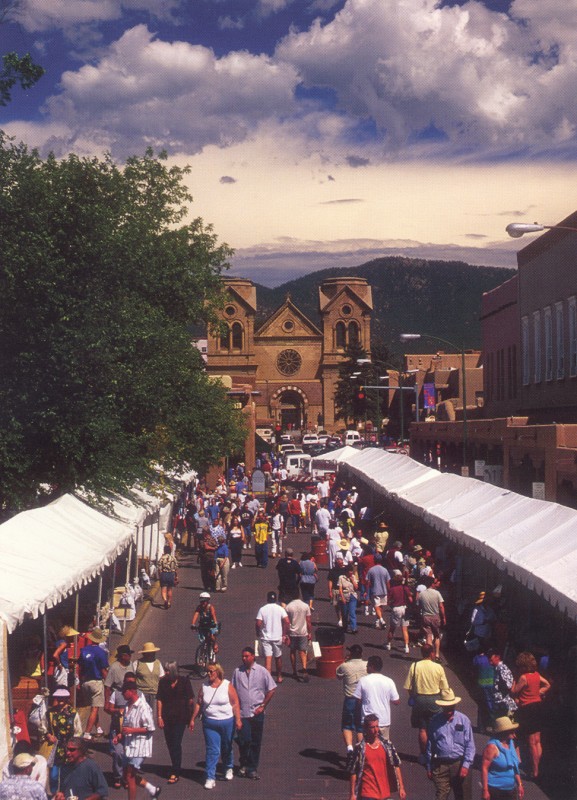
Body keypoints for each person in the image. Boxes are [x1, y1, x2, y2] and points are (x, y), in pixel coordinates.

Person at [190, 664, 242, 789]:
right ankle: (210, 777)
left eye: (211, 671)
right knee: (212, 750)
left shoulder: (227, 685)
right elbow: (199, 703)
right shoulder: (204, 687)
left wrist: (238, 719)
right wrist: (192, 719)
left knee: (226, 746)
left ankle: (228, 767)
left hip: (227, 722)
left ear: (218, 672)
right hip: (210, 724)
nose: (209, 674)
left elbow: (235, 703)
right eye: (207, 672)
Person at [232, 647, 277, 780]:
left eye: (246, 656)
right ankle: (244, 762)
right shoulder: (237, 672)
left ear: (253, 656)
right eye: (243, 656)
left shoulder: (262, 671)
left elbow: (272, 689)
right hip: (243, 713)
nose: (244, 658)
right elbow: (233, 692)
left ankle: (251, 768)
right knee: (244, 740)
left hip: (257, 713)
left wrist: (263, 705)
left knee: (255, 742)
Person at [113, 682, 161, 800]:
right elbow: (126, 726)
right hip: (129, 745)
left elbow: (150, 728)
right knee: (126, 775)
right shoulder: (127, 706)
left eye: (124, 691)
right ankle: (152, 789)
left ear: (132, 691)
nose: (122, 695)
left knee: (130, 777)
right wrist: (120, 735)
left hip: (140, 747)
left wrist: (132, 730)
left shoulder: (143, 707)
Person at [426, 689, 475, 800]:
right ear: (442, 707)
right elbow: (430, 745)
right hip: (441, 764)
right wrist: (429, 766)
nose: (449, 710)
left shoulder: (463, 720)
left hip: (459, 762)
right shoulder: (435, 721)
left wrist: (466, 766)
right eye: (446, 707)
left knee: (463, 796)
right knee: (441, 795)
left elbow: (470, 745)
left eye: (451, 707)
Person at [404, 643, 449, 759]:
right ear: (432, 653)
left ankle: (423, 755)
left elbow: (408, 687)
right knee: (437, 727)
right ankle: (436, 753)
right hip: (435, 699)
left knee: (422, 728)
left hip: (419, 699)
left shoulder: (414, 666)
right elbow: (445, 687)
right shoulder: (438, 667)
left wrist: (414, 697)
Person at [511, 651, 551, 779]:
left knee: (531, 742)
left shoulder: (524, 678)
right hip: (538, 707)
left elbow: (514, 691)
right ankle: (537, 767)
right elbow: (548, 684)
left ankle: (535, 772)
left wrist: (513, 681)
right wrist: (540, 692)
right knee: (537, 741)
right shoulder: (536, 675)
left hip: (527, 709)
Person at [348, 714, 406, 800]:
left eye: (377, 726)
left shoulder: (387, 745)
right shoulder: (360, 748)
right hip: (367, 792)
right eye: (372, 727)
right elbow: (353, 771)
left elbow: (396, 765)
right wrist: (352, 794)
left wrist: (401, 787)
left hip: (384, 792)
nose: (376, 730)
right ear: (366, 729)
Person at [156, 661, 194, 784]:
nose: (165, 673)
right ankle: (175, 765)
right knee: (170, 743)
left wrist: (191, 718)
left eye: (167, 670)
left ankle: (175, 771)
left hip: (180, 718)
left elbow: (190, 700)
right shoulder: (163, 682)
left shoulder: (184, 681)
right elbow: (159, 700)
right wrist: (159, 717)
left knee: (176, 743)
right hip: (167, 718)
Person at [104, 645, 135, 789]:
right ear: (122, 655)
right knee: (117, 751)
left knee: (130, 750)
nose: (129, 656)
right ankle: (118, 775)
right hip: (118, 701)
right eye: (127, 654)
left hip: (130, 701)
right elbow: (108, 686)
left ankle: (127, 776)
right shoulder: (114, 668)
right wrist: (109, 704)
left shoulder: (132, 666)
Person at [45, 687, 83, 793]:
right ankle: (53, 795)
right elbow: (42, 727)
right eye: (59, 697)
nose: (61, 699)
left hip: (69, 749)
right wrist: (48, 735)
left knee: (67, 776)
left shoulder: (73, 713)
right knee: (53, 775)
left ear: (67, 698)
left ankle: (65, 795)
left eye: (63, 697)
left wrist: (74, 746)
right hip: (54, 748)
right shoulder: (50, 713)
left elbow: (78, 731)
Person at [354, 655, 400, 740]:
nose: (366, 668)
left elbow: (358, 699)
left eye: (367, 666)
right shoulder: (389, 681)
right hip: (383, 720)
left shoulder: (363, 680)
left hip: (368, 721)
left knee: (368, 747)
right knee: (384, 747)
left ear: (372, 666)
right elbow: (396, 701)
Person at [336, 644, 367, 769]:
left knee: (347, 726)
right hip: (362, 700)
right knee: (360, 727)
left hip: (350, 699)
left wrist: (345, 660)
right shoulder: (366, 665)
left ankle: (349, 749)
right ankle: (359, 751)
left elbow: (338, 675)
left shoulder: (345, 666)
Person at [481, 717, 524, 800]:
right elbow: (484, 768)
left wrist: (520, 784)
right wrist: (485, 790)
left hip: (511, 789)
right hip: (495, 790)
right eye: (511, 732)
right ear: (504, 732)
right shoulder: (492, 747)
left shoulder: (511, 744)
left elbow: (514, 767)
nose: (514, 735)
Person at [78, 627, 109, 740]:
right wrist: (109, 684)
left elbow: (80, 667)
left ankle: (99, 727)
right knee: (95, 708)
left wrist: (80, 680)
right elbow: (103, 670)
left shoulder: (84, 650)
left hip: (85, 682)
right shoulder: (101, 653)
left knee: (93, 706)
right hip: (96, 682)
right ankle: (87, 732)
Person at [255, 591, 290, 682]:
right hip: (277, 637)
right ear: (276, 599)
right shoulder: (280, 609)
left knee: (268, 658)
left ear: (267, 599)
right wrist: (285, 634)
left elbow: (258, 623)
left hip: (266, 637)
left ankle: (268, 680)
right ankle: (279, 676)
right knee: (278, 657)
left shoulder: (262, 609)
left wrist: (258, 632)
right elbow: (287, 621)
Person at [417, 575, 446, 660]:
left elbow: (419, 606)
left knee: (428, 636)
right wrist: (444, 617)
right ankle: (437, 655)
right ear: (432, 584)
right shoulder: (437, 593)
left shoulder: (421, 594)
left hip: (425, 616)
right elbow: (441, 606)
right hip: (435, 616)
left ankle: (428, 656)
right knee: (437, 636)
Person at [285, 595, 312, 681]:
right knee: (302, 651)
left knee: (292, 651)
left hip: (292, 632)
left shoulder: (288, 606)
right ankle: (304, 669)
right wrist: (310, 632)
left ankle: (294, 672)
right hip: (303, 632)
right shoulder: (305, 606)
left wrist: (286, 634)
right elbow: (308, 621)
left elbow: (286, 621)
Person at [132, 643, 164, 710]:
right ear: (144, 654)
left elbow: (161, 677)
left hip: (155, 693)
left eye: (153, 652)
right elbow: (131, 677)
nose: (152, 654)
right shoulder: (137, 663)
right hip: (141, 693)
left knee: (152, 714)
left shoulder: (157, 662)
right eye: (149, 653)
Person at [386, 572, 413, 654]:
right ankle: (406, 647)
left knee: (392, 628)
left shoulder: (392, 589)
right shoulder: (405, 588)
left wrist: (392, 605)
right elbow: (411, 599)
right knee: (405, 629)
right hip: (404, 608)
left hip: (396, 608)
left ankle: (388, 644)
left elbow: (388, 601)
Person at [487, 649, 517, 720]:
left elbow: (509, 685)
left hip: (505, 704)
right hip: (500, 704)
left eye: (491, 660)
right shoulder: (497, 669)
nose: (490, 663)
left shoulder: (502, 668)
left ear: (498, 657)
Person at [366, 555, 391, 630]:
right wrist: (389, 591)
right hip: (384, 591)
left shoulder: (371, 570)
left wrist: (367, 591)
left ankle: (381, 620)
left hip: (375, 590)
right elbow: (388, 582)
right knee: (381, 606)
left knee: (376, 606)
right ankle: (378, 621)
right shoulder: (385, 570)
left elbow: (368, 582)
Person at [339, 563, 359, 634]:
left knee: (352, 612)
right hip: (344, 595)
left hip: (352, 596)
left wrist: (352, 580)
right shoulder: (341, 577)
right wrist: (342, 598)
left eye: (351, 571)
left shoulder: (353, 577)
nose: (351, 572)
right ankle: (345, 627)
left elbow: (356, 587)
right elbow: (340, 589)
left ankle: (354, 628)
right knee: (344, 613)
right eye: (349, 571)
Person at [157, 545, 178, 609]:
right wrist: (176, 576)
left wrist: (160, 576)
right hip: (171, 574)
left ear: (164, 550)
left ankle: (165, 600)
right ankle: (169, 602)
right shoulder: (173, 558)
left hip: (164, 574)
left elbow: (159, 569)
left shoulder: (162, 558)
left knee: (163, 589)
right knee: (169, 589)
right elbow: (176, 568)